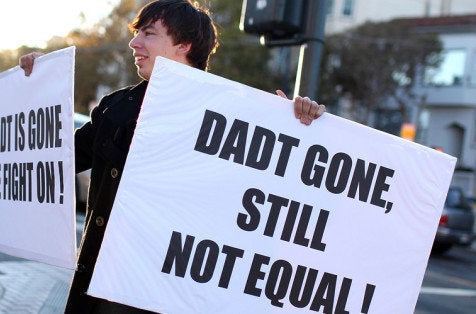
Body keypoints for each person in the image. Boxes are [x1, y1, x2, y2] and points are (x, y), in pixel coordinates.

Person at [19, 0, 326, 312]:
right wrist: (38, 88)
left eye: (148, 33)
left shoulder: (234, 116)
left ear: (184, 44)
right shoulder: (115, 108)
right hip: (101, 287)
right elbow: (56, 160)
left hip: (170, 293)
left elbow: (279, 199)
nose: (134, 42)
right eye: (136, 33)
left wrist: (300, 125)